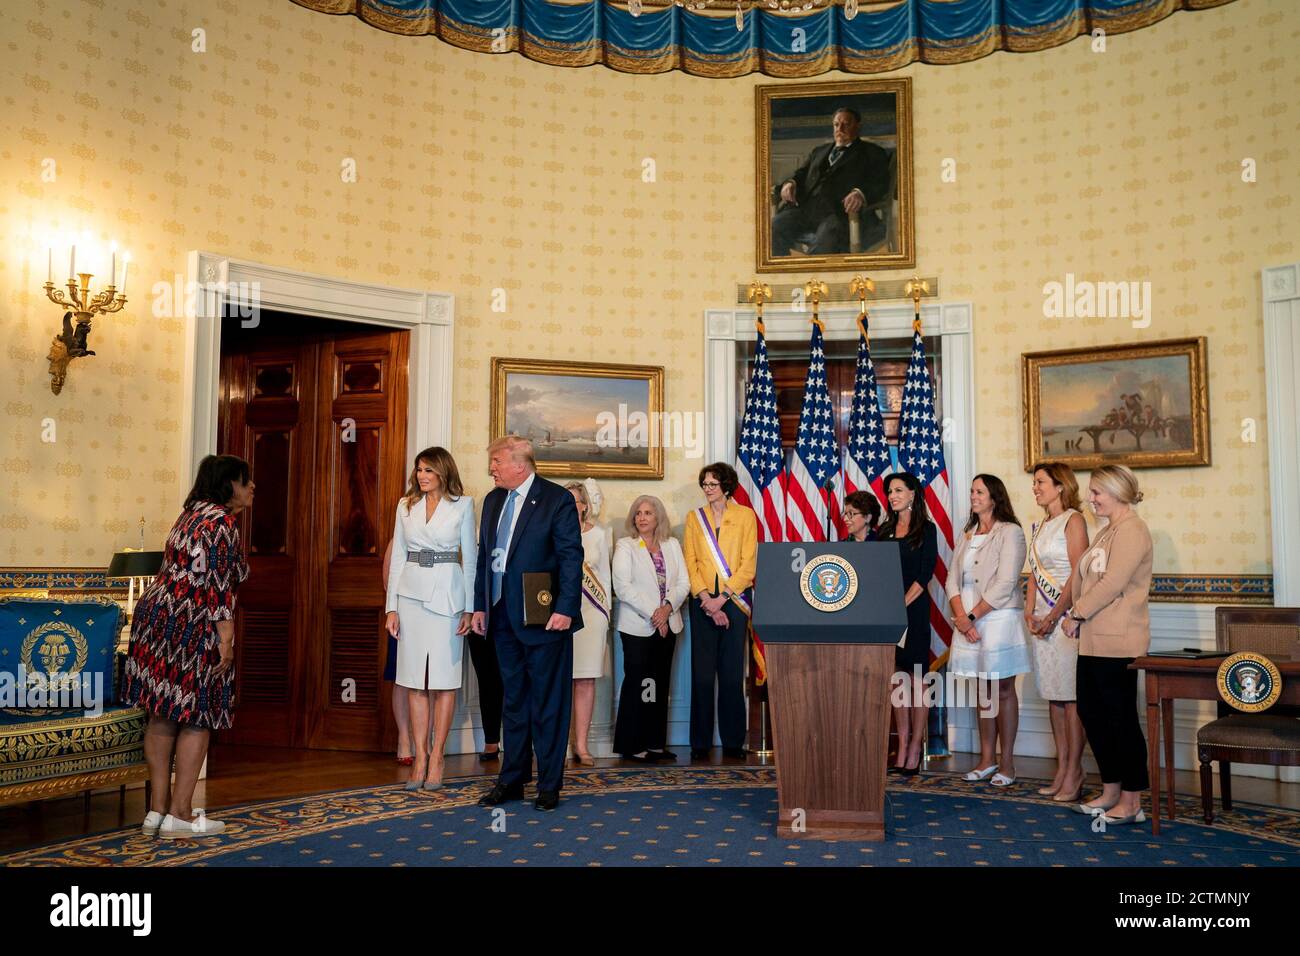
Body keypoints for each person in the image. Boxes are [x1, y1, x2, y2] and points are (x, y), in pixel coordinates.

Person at [121, 454, 252, 838]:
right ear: (229, 486)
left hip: (154, 619)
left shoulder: (189, 515)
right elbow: (217, 587)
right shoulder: (222, 523)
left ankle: (156, 812)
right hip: (191, 624)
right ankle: (180, 815)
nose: (252, 487)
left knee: (162, 712)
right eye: (246, 481)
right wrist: (226, 639)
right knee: (199, 714)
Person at [472, 436, 583, 811]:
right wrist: (480, 606)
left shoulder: (556, 499)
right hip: (501, 615)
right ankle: (513, 779)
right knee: (514, 701)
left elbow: (571, 558)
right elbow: (483, 558)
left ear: (520, 465)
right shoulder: (492, 501)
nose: (492, 469)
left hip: (545, 615)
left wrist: (566, 607)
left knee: (548, 702)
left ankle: (549, 785)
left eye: (497, 462)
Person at [1062, 465, 1153, 826]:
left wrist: (1076, 613)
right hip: (1093, 642)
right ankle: (1111, 790)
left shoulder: (1133, 529)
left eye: (1097, 491)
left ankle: (1132, 802)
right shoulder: (1106, 531)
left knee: (1121, 721)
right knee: (1094, 716)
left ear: (1116, 490)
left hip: (1120, 641)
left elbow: (1114, 582)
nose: (1091, 498)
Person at [385, 447, 477, 791]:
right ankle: (419, 756)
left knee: (443, 680)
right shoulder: (405, 505)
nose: (422, 476)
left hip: (448, 599)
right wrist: (390, 607)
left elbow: (471, 556)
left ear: (443, 472)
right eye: (419, 470)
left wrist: (469, 606)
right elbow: (397, 558)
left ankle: (438, 755)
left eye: (428, 470)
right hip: (410, 597)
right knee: (413, 680)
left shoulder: (463, 505)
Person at [946, 474, 1032, 787]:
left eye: (979, 491)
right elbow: (951, 579)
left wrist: (972, 616)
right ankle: (986, 760)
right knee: (983, 690)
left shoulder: (1011, 532)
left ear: (994, 497)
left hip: (997, 619)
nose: (973, 496)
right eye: (971, 491)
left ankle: (1007, 764)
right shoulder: (968, 533)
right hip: (967, 619)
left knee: (1003, 689)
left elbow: (1007, 583)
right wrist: (961, 616)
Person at [683, 462, 758, 761]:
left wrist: (722, 599)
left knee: (730, 675)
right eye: (705, 483)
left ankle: (732, 741)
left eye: (713, 483)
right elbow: (690, 561)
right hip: (702, 602)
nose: (708, 488)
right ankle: (699, 743)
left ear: (727, 486)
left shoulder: (745, 516)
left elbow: (748, 563)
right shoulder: (694, 518)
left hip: (734, 602)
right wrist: (706, 599)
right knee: (701, 675)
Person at [1025, 462, 1090, 802]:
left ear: (1060, 485)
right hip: (1042, 621)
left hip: (1065, 620)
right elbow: (1034, 574)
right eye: (1034, 483)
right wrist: (1028, 609)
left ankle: (1075, 771)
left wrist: (1052, 615)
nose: (1035, 488)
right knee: (1054, 695)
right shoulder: (1041, 524)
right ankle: (1061, 767)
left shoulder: (1073, 520)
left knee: (1071, 698)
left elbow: (1078, 574)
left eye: (1040, 482)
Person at [612, 495, 690, 762]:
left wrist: (667, 608)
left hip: (669, 623)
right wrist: (656, 614)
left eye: (648, 513)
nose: (642, 517)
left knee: (658, 683)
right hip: (637, 626)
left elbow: (683, 583)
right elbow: (623, 586)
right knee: (638, 684)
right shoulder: (626, 546)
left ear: (658, 518)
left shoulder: (672, 545)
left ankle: (655, 743)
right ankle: (632, 744)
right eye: (638, 513)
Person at [770, 106, 892, 257]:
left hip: (840, 213)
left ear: (857, 126)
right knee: (773, 228)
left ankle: (815, 278)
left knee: (826, 241)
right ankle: (782, 274)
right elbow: (801, 174)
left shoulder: (872, 152)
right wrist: (791, 182)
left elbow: (880, 182)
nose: (839, 128)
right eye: (836, 125)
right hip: (806, 210)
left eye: (846, 124)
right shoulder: (819, 151)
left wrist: (860, 193)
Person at [877, 471, 938, 776]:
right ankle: (900, 747)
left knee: (917, 678)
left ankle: (916, 746)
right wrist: (887, 609)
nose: (892, 495)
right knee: (896, 679)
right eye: (889, 491)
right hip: (887, 613)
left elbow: (924, 575)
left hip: (912, 611)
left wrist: (898, 605)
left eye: (898, 490)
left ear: (913, 493)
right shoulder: (884, 529)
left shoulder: (926, 529)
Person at [564, 479, 611, 766]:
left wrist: (606, 616)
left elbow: (604, 578)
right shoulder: (551, 532)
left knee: (585, 680)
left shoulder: (600, 535)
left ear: (584, 506)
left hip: (592, 615)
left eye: (574, 501)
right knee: (559, 680)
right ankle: (558, 744)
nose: (570, 506)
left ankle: (581, 745)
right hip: (561, 615)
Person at [381, 539, 413, 767]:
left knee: (430, 681)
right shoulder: (399, 533)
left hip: (435, 613)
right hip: (404, 613)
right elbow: (387, 581)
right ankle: (403, 738)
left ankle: (426, 742)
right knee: (400, 677)